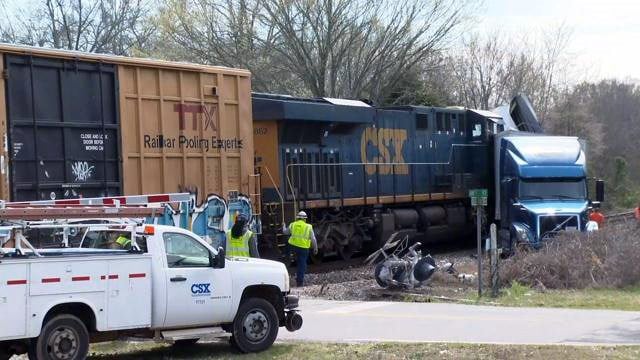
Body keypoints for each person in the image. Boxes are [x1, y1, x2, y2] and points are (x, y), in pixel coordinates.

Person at [283, 211, 318, 287]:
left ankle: (287, 260)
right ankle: (299, 282)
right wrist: (315, 248)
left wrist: (283, 226)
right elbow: (313, 239)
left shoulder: (293, 224)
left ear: (297, 218)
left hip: (292, 247)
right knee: (302, 265)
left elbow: (285, 232)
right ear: (305, 219)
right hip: (303, 248)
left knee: (288, 257)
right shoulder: (308, 226)